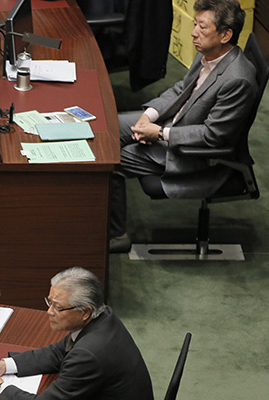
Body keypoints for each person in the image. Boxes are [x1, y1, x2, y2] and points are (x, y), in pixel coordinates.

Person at [109, 0, 258, 252]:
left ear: (226, 35)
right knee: (109, 127)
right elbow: (181, 89)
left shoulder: (238, 79)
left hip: (194, 154)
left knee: (110, 161)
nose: (193, 32)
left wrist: (159, 133)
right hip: (174, 123)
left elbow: (213, 136)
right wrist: (151, 115)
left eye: (202, 26)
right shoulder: (209, 54)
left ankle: (117, 235)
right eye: (195, 24)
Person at [0, 267, 152, 400]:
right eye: (49, 302)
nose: (49, 312)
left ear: (85, 311)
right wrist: (6, 365)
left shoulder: (88, 354)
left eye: (57, 307)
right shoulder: (103, 316)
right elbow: (59, 352)